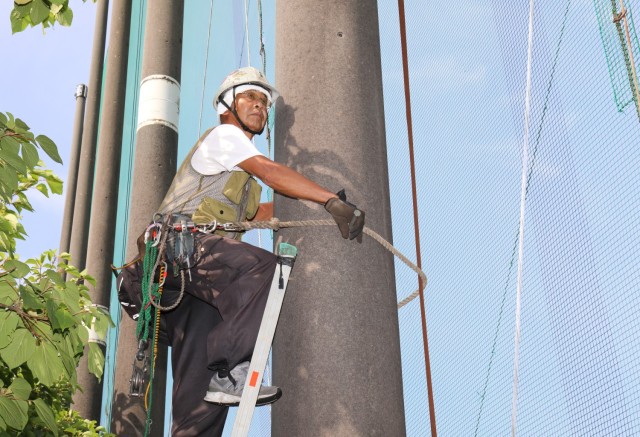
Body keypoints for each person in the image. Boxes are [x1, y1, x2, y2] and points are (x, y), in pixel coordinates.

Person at [152, 67, 365, 436]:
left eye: (265, 103)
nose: (260, 107)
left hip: (189, 287)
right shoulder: (225, 136)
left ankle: (217, 386)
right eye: (250, 98)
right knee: (261, 269)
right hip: (180, 252)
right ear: (225, 105)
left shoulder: (238, 180)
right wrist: (328, 199)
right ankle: (233, 367)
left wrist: (306, 203)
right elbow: (268, 170)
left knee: (199, 398)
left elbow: (263, 211)